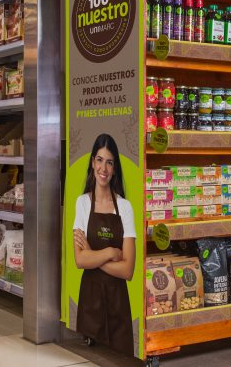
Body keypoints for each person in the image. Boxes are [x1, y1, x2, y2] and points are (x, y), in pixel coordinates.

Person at [73, 133, 136, 356]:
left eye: (109, 162)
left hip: (118, 305)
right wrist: (110, 252)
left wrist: (93, 255)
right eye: (99, 160)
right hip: (90, 306)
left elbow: (127, 270)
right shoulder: (82, 203)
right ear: (92, 162)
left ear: (115, 168)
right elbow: (80, 260)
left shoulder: (125, 207)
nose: (104, 168)